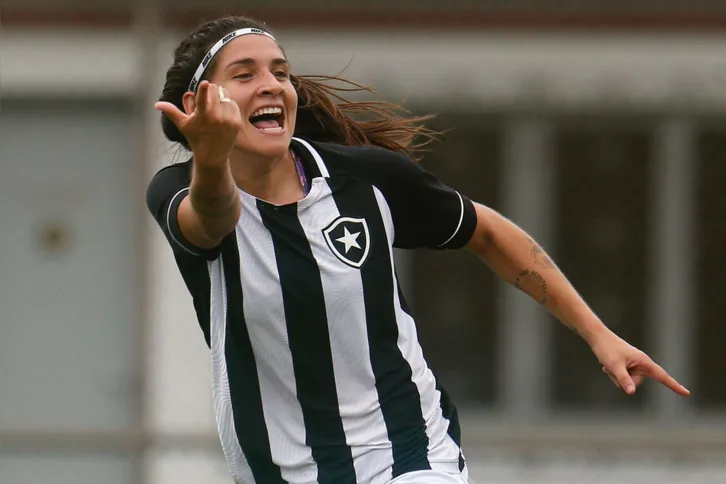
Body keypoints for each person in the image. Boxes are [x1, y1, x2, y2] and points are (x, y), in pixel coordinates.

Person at [146, 15, 690, 484]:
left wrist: (599, 335)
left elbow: (489, 232)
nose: (272, 85)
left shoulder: (365, 181)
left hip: (408, 455)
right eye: (245, 75)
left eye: (281, 72)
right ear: (196, 104)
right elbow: (211, 220)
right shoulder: (180, 190)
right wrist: (211, 158)